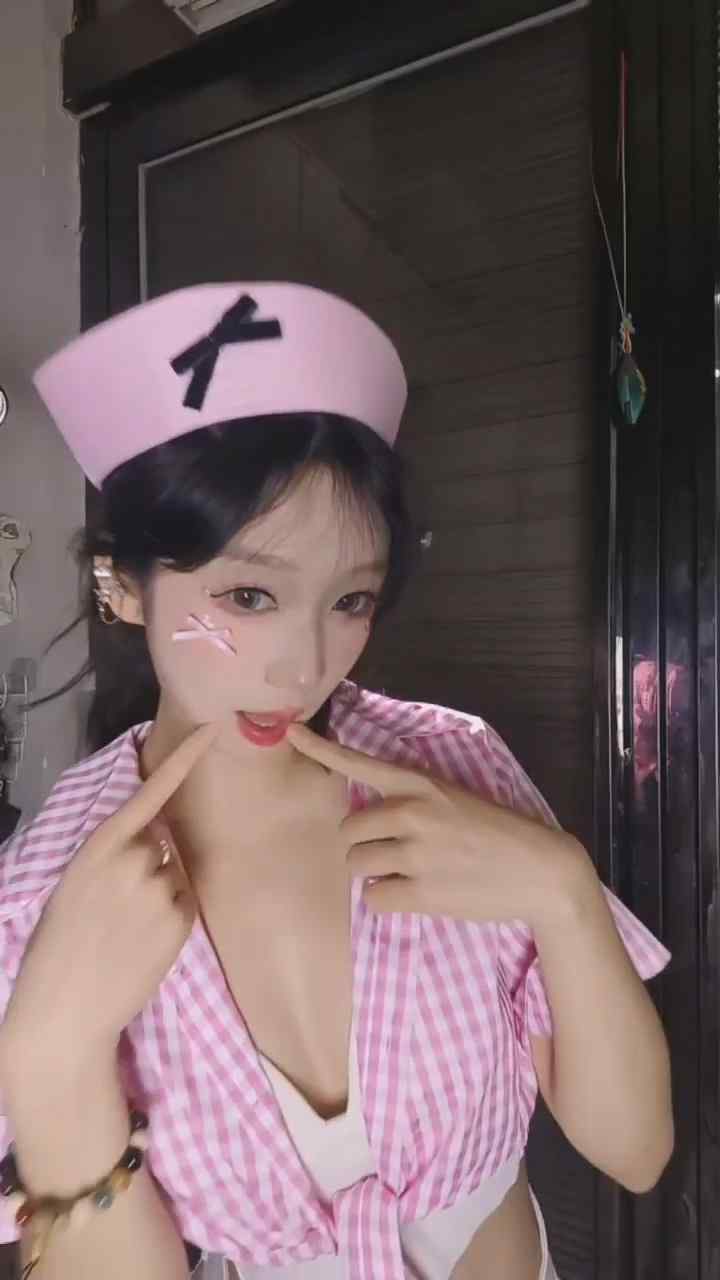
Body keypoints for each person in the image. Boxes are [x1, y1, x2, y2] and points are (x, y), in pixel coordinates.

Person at [0, 284, 672, 1280]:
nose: (304, 666)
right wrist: (51, 1054)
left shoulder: (453, 765)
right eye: (248, 595)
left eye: (350, 600)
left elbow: (636, 1152)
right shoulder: (41, 893)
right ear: (126, 585)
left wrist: (563, 890)